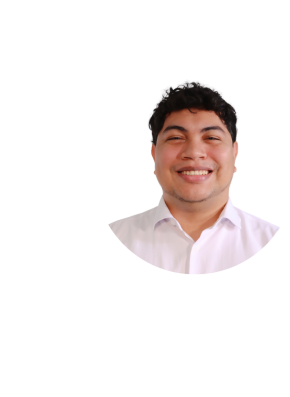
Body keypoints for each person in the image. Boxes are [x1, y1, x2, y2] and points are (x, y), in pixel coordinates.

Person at [109, 82, 279, 275]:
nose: (194, 152)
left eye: (211, 138)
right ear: (154, 155)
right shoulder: (119, 236)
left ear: (234, 153)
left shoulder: (268, 238)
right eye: (175, 138)